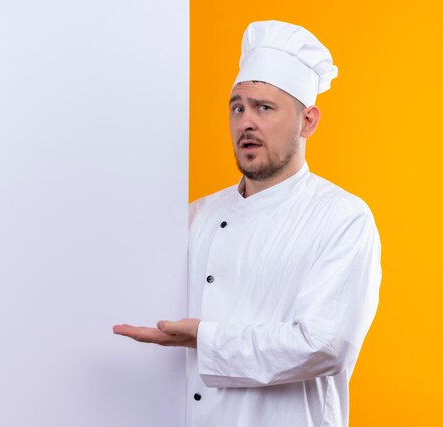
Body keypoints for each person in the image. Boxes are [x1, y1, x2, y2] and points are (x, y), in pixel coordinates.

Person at [113, 20, 382, 427]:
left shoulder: (342, 217)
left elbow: (325, 344)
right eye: (237, 107)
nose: (246, 122)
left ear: (307, 121)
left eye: (264, 107)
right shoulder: (196, 215)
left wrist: (204, 338)